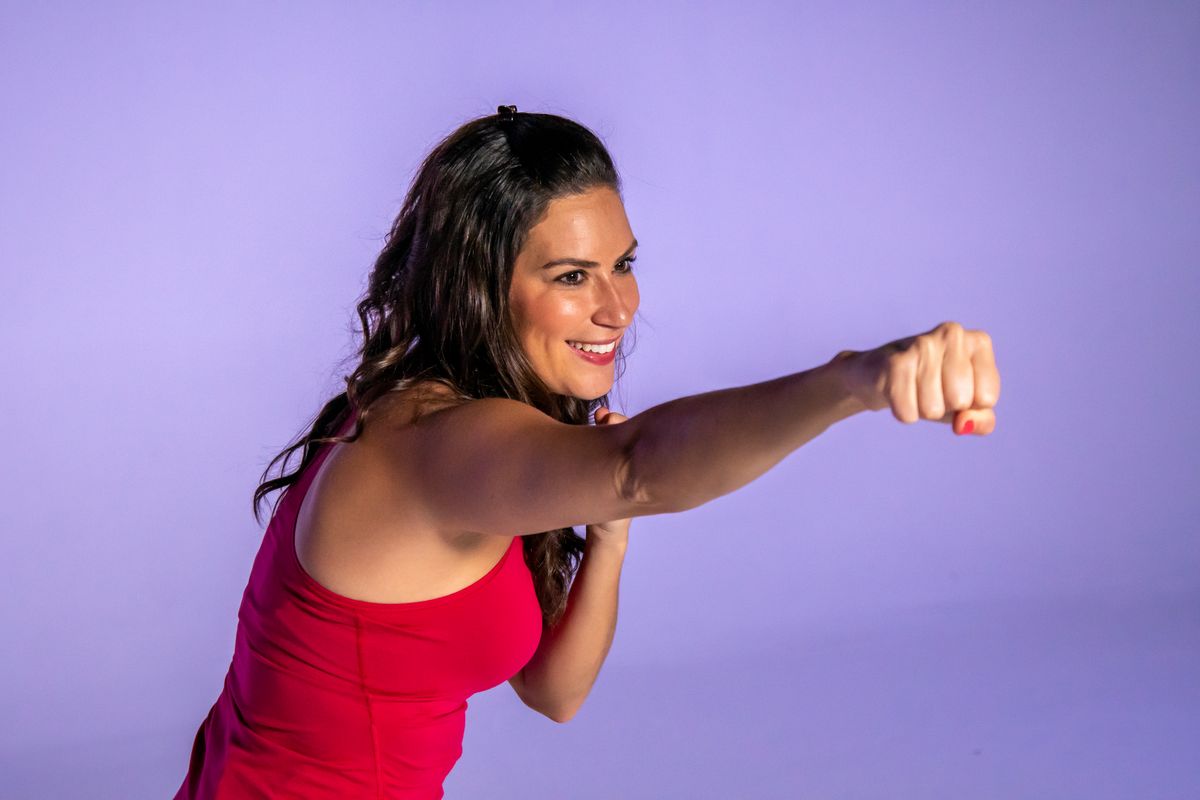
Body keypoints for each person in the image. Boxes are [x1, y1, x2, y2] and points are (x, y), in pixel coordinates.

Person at [174, 104, 1000, 799]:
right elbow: (637, 467)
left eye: (623, 264)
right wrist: (852, 381)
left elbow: (554, 692)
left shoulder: (465, 435)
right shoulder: (434, 447)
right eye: (571, 276)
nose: (616, 308)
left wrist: (608, 527)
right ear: (480, 287)